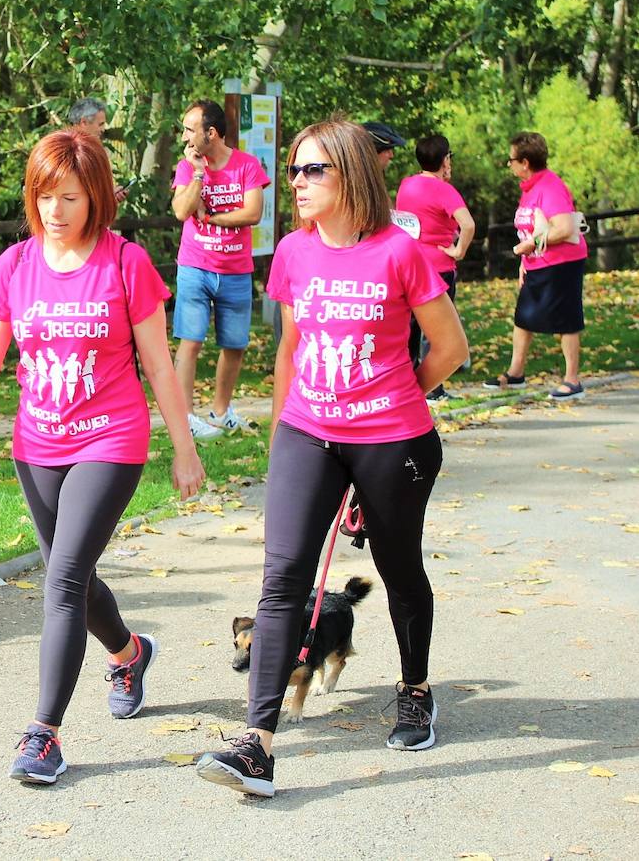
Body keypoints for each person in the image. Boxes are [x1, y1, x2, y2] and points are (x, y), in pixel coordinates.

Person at [196, 118, 468, 798]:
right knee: (283, 574)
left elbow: (450, 348)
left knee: (398, 568)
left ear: (352, 174)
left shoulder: (400, 253)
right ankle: (256, 744)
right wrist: (283, 435)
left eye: (313, 170)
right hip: (307, 432)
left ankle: (414, 689)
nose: (298, 182)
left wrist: (395, 396)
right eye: (293, 170)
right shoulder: (292, 250)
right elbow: (290, 347)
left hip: (392, 440)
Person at [0, 129, 205, 785]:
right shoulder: (17, 266)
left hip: (110, 439)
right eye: (45, 195)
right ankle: (129, 654)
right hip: (38, 444)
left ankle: (43, 734)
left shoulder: (125, 263)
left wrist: (184, 448)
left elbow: (159, 365)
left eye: (70, 197)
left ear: (96, 198)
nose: (55, 210)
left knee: (61, 579)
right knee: (69, 578)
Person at [169, 99, 270, 439]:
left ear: (210, 132)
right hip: (195, 267)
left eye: (189, 129)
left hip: (236, 269)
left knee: (235, 344)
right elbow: (183, 210)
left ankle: (221, 410)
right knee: (190, 341)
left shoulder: (247, 165)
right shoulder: (187, 167)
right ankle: (186, 418)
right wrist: (198, 173)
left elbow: (253, 213)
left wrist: (211, 218)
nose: (184, 137)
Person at [482, 132, 587, 399]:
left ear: (525, 162)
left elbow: (563, 228)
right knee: (523, 318)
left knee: (566, 320)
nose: (509, 165)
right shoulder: (530, 188)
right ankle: (516, 374)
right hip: (537, 264)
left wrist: (530, 246)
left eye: (511, 160)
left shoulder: (549, 187)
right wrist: (524, 261)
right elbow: (533, 227)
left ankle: (572, 381)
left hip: (562, 263)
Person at [395, 134, 476, 399]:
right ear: (445, 160)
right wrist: (459, 250)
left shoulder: (407, 185)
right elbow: (468, 224)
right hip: (438, 266)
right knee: (438, 330)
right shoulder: (444, 190)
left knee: (410, 327)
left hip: (408, 264)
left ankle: (404, 385)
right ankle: (433, 388)